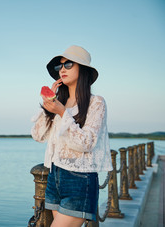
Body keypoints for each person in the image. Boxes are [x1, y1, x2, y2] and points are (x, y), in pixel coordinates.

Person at [31, 45, 113, 227]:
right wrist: (48, 107)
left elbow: (87, 143)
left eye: (68, 64)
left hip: (80, 180)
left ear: (82, 69)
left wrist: (62, 113)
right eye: (59, 66)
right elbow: (37, 135)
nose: (62, 70)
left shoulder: (96, 102)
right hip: (54, 177)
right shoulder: (59, 102)